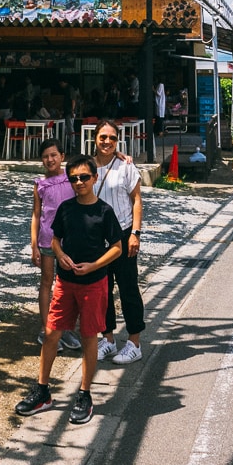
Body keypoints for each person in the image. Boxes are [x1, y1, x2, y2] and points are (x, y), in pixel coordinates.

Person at [15, 154, 122, 425]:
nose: (79, 182)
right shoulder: (66, 208)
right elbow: (55, 239)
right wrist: (60, 254)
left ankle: (85, 394)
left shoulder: (104, 212)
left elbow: (117, 248)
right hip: (65, 283)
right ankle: (43, 390)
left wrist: (94, 265)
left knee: (88, 336)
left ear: (95, 179)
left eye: (84, 177)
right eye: (73, 178)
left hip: (93, 284)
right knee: (51, 333)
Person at [93, 118, 145, 365]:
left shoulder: (125, 167)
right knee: (102, 291)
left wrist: (135, 233)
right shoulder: (88, 167)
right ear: (94, 138)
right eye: (103, 137)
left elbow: (136, 200)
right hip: (96, 239)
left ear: (118, 141)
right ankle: (109, 339)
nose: (107, 142)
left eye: (112, 138)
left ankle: (134, 342)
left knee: (128, 288)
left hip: (123, 236)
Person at [29, 138, 82, 352]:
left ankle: (66, 328)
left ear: (62, 156)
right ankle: (46, 329)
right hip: (47, 240)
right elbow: (36, 214)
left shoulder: (72, 178)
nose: (50, 159)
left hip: (71, 240)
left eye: (54, 155)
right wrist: (34, 245)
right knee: (46, 281)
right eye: (45, 156)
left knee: (69, 285)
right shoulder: (40, 184)